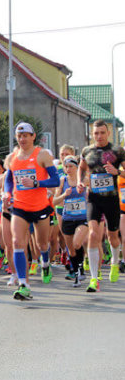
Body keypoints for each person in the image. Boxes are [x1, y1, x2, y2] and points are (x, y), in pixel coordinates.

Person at [3, 123, 60, 301]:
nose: (22, 139)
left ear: (33, 136)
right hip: (19, 207)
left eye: (26, 135)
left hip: (41, 207)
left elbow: (56, 180)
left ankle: (45, 262)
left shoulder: (41, 155)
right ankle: (24, 284)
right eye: (19, 136)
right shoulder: (12, 157)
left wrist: (37, 184)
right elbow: (9, 180)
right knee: (16, 241)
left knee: (42, 244)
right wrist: (6, 193)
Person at [77, 120, 125, 292]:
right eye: (96, 133)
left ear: (108, 133)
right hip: (93, 199)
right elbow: (81, 168)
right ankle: (94, 278)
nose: (99, 136)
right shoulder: (87, 151)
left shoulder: (117, 151)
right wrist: (80, 182)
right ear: (92, 134)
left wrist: (117, 172)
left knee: (112, 236)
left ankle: (114, 262)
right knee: (92, 233)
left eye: (102, 133)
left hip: (111, 199)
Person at [53, 155, 88, 288]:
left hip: (83, 218)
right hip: (68, 218)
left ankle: (80, 269)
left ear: (76, 167)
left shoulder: (84, 179)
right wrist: (64, 195)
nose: (68, 169)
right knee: (72, 250)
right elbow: (55, 201)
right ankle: (78, 271)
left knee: (77, 243)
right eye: (66, 166)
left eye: (71, 166)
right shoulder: (63, 181)